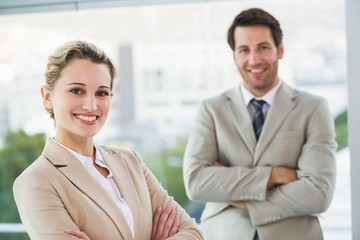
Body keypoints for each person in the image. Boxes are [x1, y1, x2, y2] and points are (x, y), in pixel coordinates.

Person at [13, 40, 203, 240]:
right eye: (77, 90)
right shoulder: (35, 182)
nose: (91, 105)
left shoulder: (131, 162)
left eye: (102, 93)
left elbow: (193, 233)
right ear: (47, 97)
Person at [183, 7, 337, 240]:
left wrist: (239, 197)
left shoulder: (313, 108)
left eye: (263, 48)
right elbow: (196, 183)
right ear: (234, 55)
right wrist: (274, 175)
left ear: (280, 50)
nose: (254, 59)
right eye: (244, 50)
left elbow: (318, 194)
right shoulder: (211, 110)